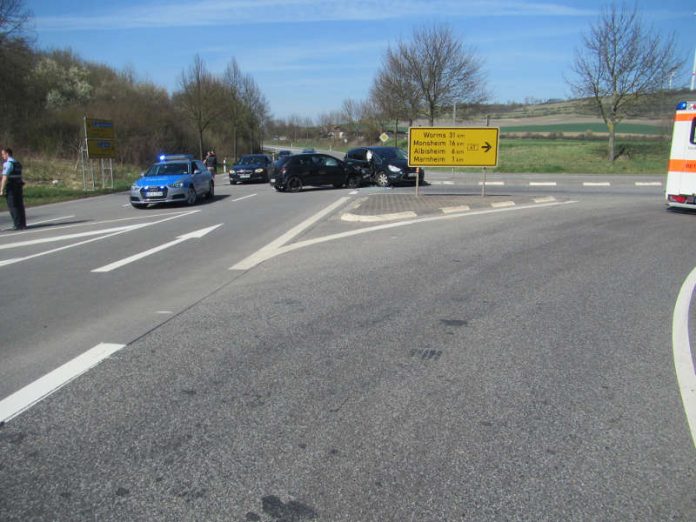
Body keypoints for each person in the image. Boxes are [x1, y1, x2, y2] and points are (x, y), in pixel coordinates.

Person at [0, 147, 26, 230]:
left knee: (13, 206)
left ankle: (17, 224)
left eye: (3, 154)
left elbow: (5, 177)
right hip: (18, 186)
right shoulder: (17, 163)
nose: (2, 156)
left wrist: (1, 189)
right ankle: (22, 224)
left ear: (7, 154)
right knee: (20, 205)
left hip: (11, 187)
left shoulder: (8, 164)